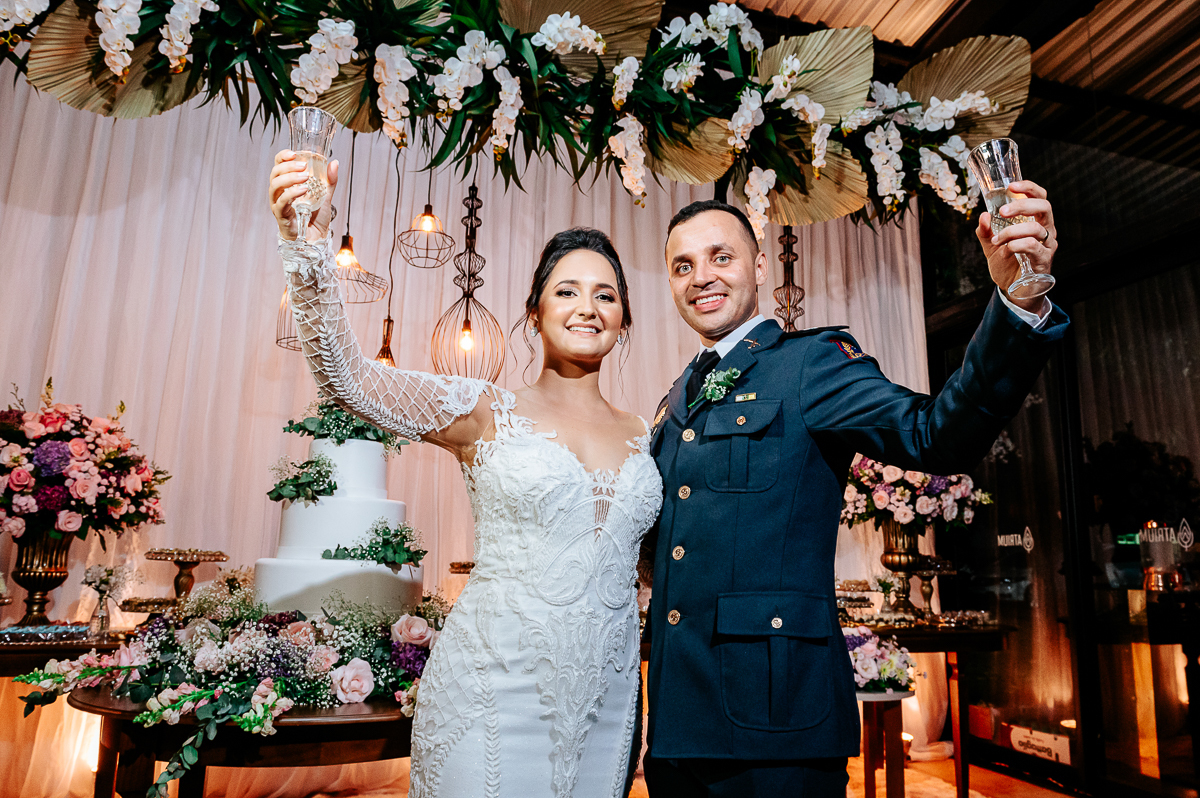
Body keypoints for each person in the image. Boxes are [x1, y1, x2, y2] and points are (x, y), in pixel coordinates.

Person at [639, 188, 1069, 797]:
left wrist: (1019, 301)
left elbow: (935, 433)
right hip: (681, 729)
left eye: (720, 257)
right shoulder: (677, 397)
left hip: (778, 727)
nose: (701, 277)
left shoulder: (812, 363)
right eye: (683, 266)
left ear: (760, 266)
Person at [268, 150, 661, 798]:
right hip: (493, 690)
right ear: (534, 313)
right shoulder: (483, 411)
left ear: (623, 321)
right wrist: (305, 243)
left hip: (609, 700)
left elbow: (650, 560)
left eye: (606, 294)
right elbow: (348, 380)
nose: (587, 307)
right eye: (567, 291)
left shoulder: (651, 435)